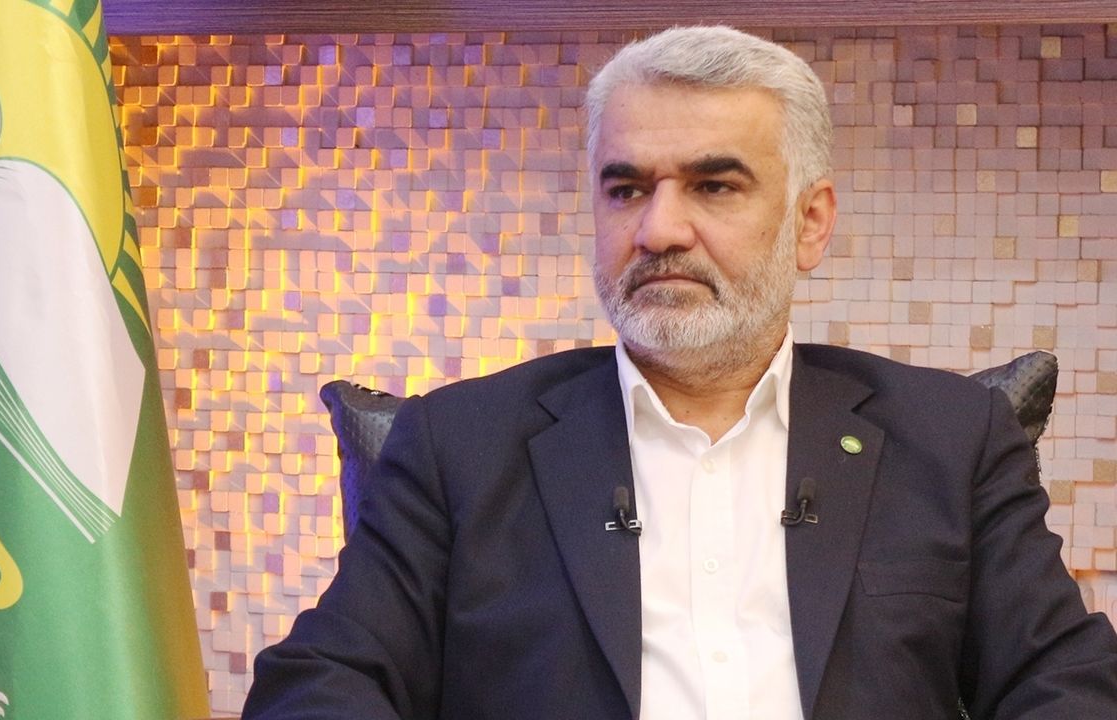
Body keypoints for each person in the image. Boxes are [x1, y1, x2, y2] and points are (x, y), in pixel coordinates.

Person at [241, 26, 1117, 719]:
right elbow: (319, 684)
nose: (658, 230)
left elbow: (1068, 683)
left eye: (714, 186)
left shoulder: (951, 438)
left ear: (811, 223)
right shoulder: (458, 446)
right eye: (625, 189)